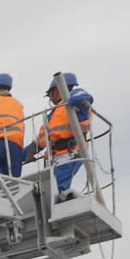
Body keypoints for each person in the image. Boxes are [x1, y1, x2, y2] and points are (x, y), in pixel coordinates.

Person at [25, 72, 95, 201]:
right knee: (50, 190)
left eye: (50, 94)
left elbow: (83, 98)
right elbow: (40, 141)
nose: (50, 98)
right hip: (56, 157)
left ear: (57, 91)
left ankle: (67, 199)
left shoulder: (74, 98)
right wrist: (24, 154)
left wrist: (72, 99)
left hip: (70, 153)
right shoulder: (53, 115)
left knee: (55, 190)